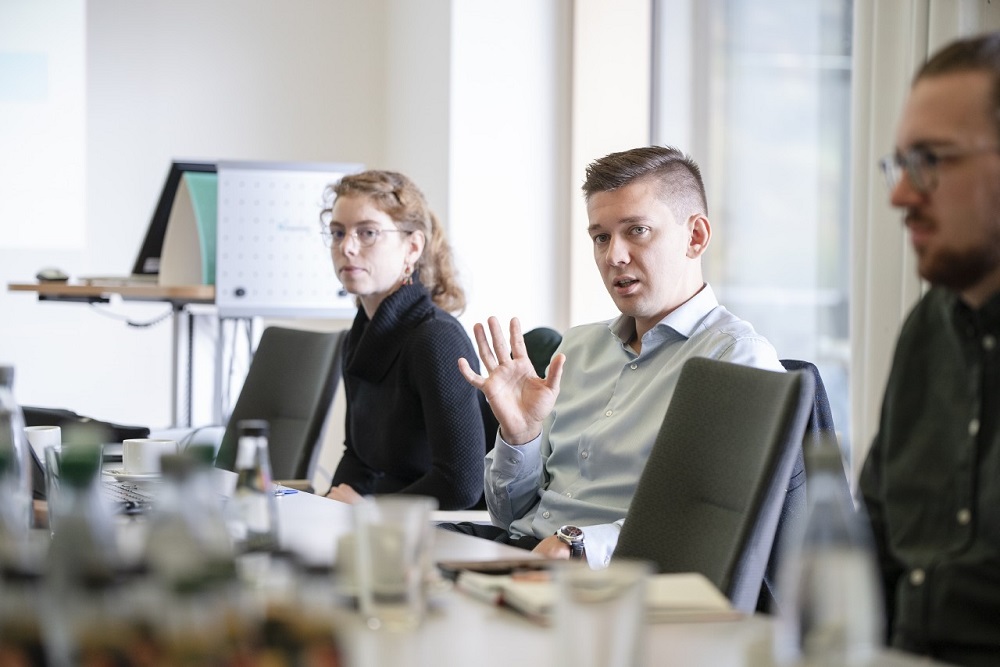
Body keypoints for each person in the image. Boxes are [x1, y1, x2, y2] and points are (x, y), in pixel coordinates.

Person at [453, 145, 786, 569]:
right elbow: (509, 516)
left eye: (638, 231)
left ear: (696, 236)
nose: (614, 256)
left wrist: (578, 543)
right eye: (601, 237)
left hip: (612, 582)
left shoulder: (735, 358)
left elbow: (715, 526)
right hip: (527, 554)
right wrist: (522, 436)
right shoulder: (576, 349)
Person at [860, 32, 1000, 667]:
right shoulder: (927, 329)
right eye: (899, 164)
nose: (900, 194)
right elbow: (877, 545)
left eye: (930, 161)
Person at [320, 169, 485, 510]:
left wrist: (368, 511)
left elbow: (461, 485)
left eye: (367, 233)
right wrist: (323, 509)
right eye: (338, 233)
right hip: (384, 526)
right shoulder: (360, 335)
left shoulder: (436, 339)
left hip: (439, 532)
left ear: (412, 246)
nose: (347, 247)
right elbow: (358, 457)